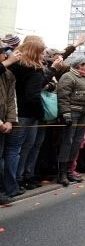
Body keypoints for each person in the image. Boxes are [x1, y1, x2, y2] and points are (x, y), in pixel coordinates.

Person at [4, 39, 46, 197]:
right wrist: (41, 113)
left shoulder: (14, 66)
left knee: (17, 150)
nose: (44, 54)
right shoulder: (34, 70)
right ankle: (15, 182)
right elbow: (32, 96)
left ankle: (17, 180)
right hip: (25, 114)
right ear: (35, 51)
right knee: (17, 150)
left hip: (14, 112)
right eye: (41, 51)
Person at [56, 55, 85, 186]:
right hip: (72, 113)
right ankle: (61, 173)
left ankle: (69, 171)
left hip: (83, 114)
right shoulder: (68, 76)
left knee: (77, 142)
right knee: (67, 142)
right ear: (79, 65)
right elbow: (63, 96)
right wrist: (66, 113)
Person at [0, 42, 19, 204]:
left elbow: (11, 100)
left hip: (4, 121)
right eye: (3, 53)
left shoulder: (8, 74)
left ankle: (3, 190)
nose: (6, 55)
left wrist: (9, 120)